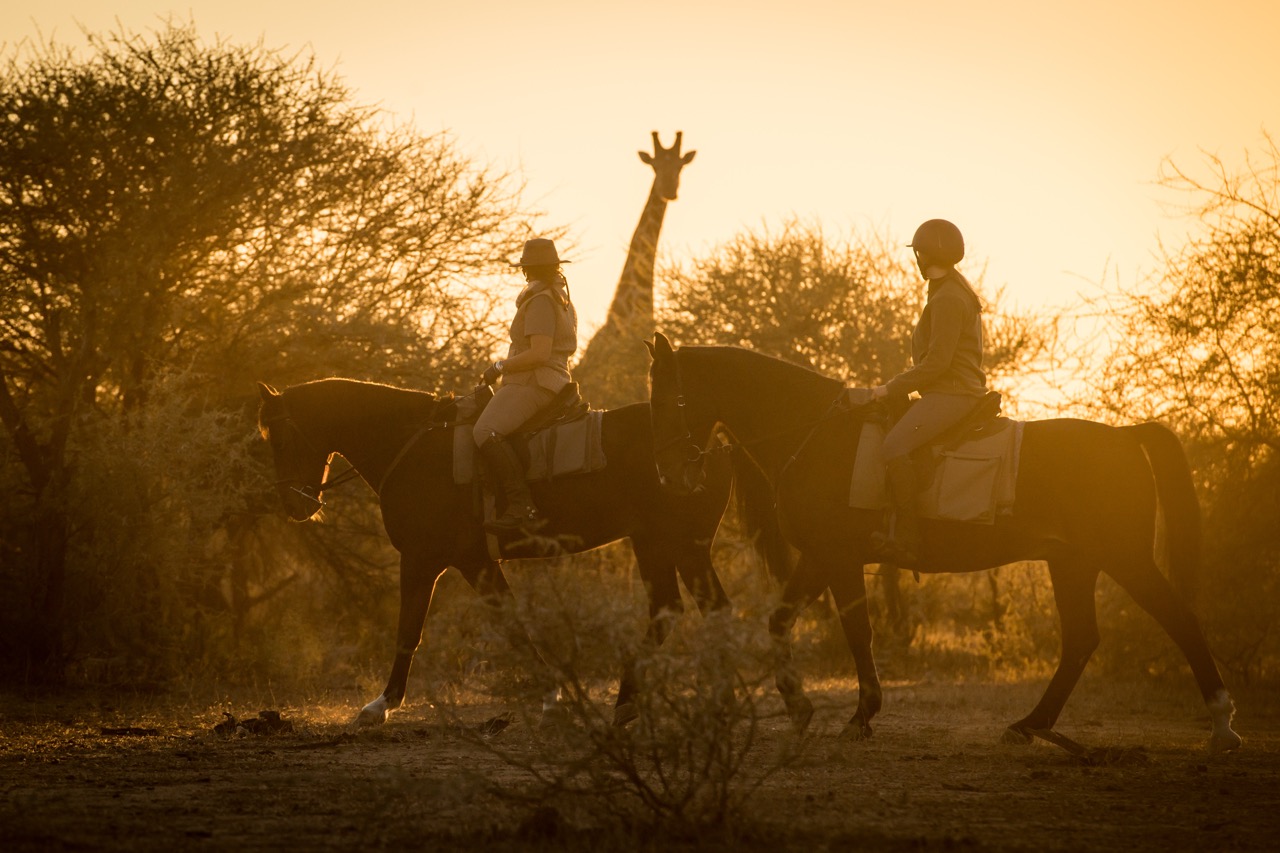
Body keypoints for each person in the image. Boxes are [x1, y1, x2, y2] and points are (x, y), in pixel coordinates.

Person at [870, 219, 988, 564]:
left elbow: (937, 363)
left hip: (953, 394)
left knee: (893, 446)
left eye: (918, 253)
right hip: (950, 391)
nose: (917, 259)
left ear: (924, 255)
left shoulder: (948, 297)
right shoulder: (950, 289)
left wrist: (891, 388)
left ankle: (908, 536)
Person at [473, 237, 579, 533]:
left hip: (535, 381)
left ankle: (522, 507)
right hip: (552, 379)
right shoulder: (559, 296)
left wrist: (498, 367)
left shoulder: (542, 300)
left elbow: (539, 353)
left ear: (528, 270)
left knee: (484, 431)